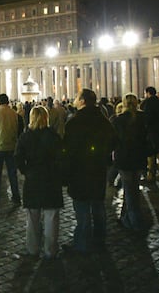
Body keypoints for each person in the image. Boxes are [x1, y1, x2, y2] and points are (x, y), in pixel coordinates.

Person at [62, 89, 116, 253]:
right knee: (98, 205)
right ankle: (100, 239)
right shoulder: (104, 121)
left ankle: (82, 244)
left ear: (83, 101)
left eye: (77, 98)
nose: (75, 100)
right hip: (98, 168)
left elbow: (67, 150)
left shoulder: (74, 122)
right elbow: (114, 142)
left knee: (82, 207)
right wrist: (101, 154)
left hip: (79, 170)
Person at [14, 106, 63, 259]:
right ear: (46, 118)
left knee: (32, 217)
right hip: (51, 179)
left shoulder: (25, 137)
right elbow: (62, 158)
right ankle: (50, 250)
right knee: (51, 216)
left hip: (33, 179)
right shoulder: (54, 136)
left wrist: (26, 171)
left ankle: (32, 248)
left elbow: (18, 158)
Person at [111, 93, 147, 231]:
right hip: (138, 157)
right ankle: (125, 217)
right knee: (133, 189)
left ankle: (135, 222)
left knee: (130, 191)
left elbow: (114, 141)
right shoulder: (142, 118)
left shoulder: (119, 120)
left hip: (124, 159)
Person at [0, 93, 21, 209]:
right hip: (11, 147)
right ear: (8, 102)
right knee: (12, 173)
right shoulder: (14, 113)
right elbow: (17, 127)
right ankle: (16, 198)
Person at [141, 86, 159, 181]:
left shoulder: (147, 103)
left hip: (151, 132)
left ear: (148, 93)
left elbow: (146, 119)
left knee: (151, 154)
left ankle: (151, 174)